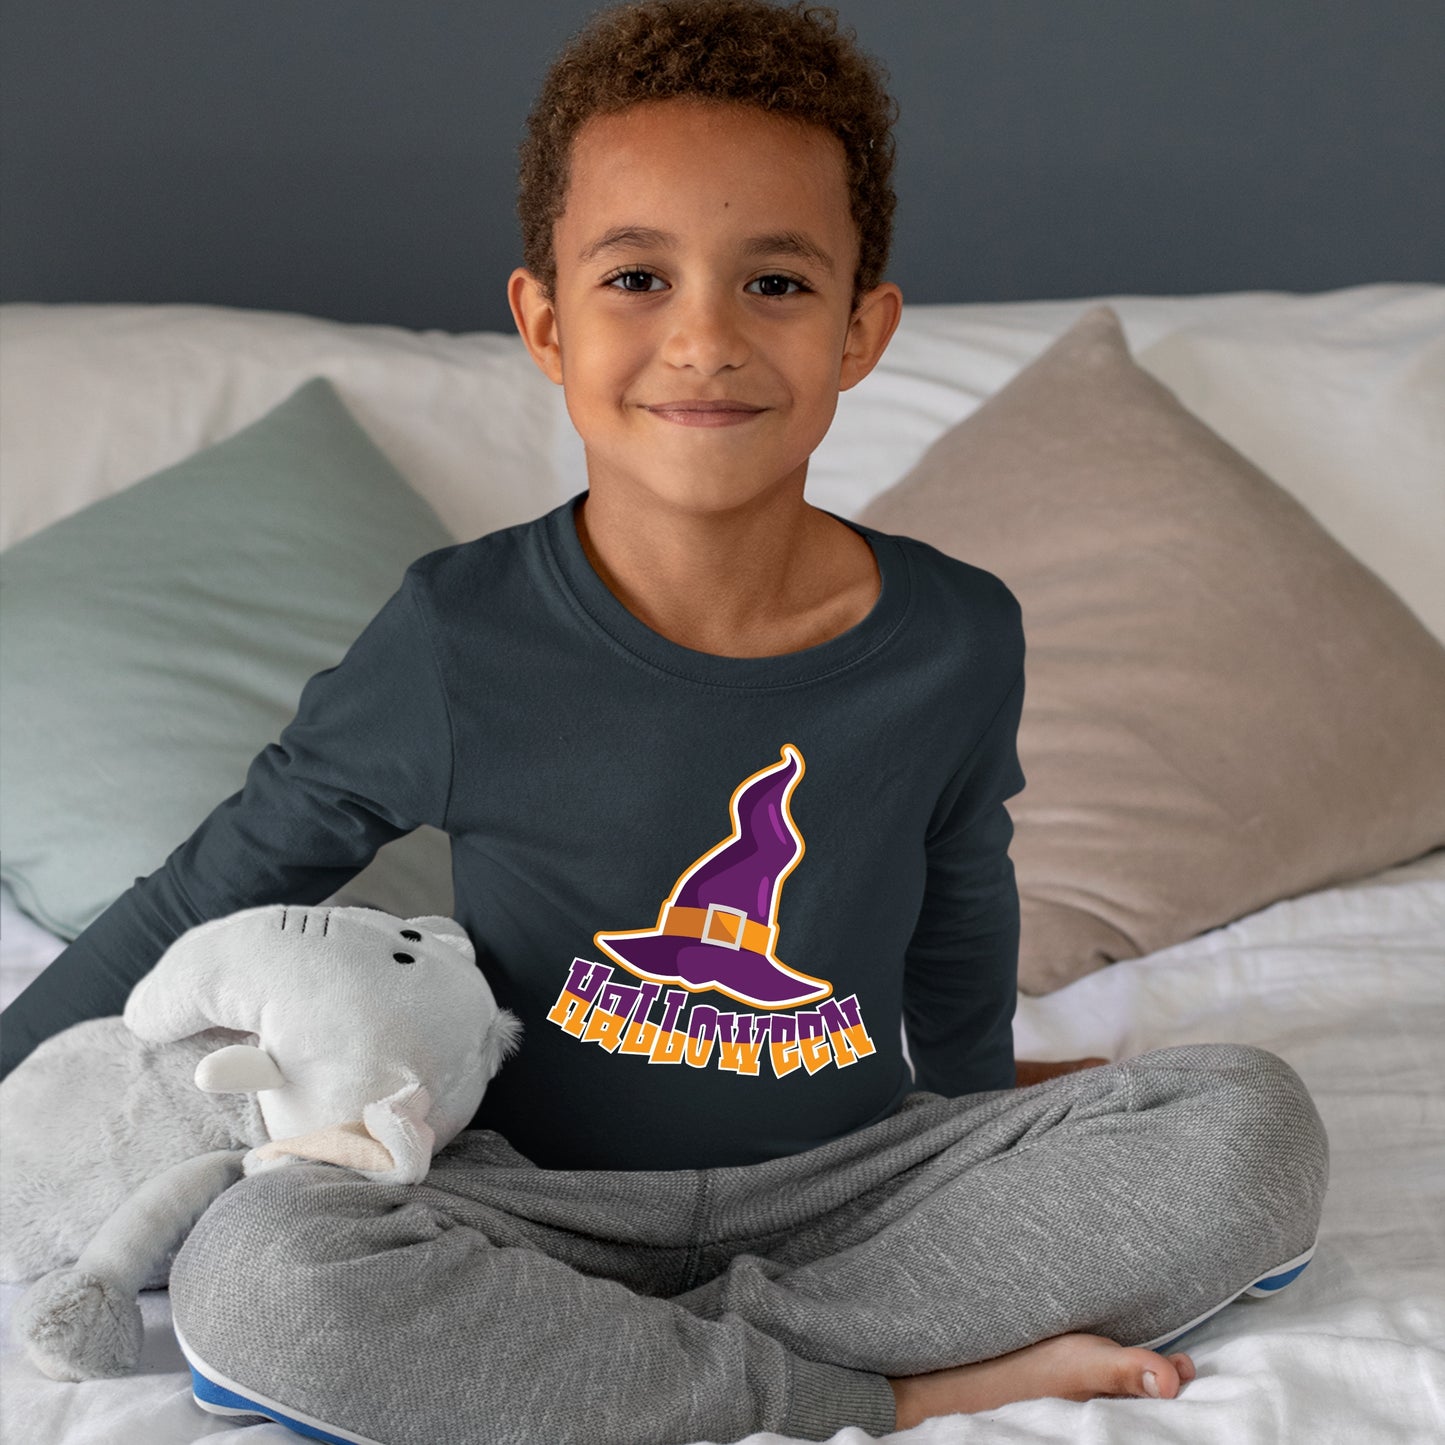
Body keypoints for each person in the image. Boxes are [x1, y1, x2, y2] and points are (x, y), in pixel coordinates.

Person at [0, 2, 1328, 1441]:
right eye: (638, 277)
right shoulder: (459, 633)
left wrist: (977, 1113)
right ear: (546, 323)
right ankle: (877, 1388)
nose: (704, 337)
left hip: (851, 1187)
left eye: (775, 282)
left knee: (1249, 1126)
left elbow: (959, 903)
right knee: (264, 1275)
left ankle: (608, 1365)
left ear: (860, 330)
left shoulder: (956, 633)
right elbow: (224, 879)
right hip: (518, 1193)